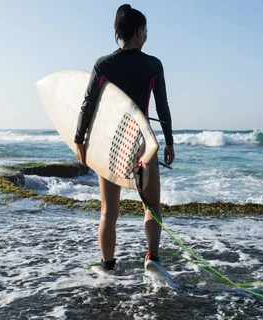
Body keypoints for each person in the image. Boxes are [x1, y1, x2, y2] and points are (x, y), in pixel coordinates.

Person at [74, 4, 175, 271]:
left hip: (112, 146)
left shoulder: (104, 64)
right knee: (151, 205)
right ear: (138, 31)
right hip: (143, 147)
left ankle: (108, 266)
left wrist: (79, 140)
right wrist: (169, 141)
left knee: (109, 211)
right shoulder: (153, 64)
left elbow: (88, 104)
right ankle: (152, 257)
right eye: (145, 30)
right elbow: (162, 106)